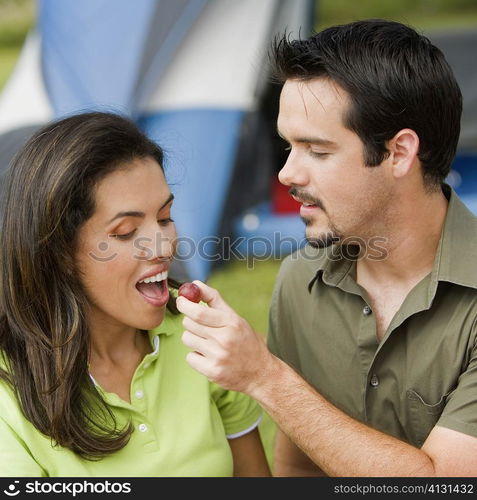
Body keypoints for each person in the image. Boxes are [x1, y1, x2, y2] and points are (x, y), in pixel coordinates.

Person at [177, 19, 477, 477]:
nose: (287, 175)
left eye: (316, 151)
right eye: (288, 146)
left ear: (399, 153)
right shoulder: (301, 279)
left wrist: (265, 377)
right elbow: (302, 468)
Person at [0, 111, 270, 477]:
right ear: (59, 252)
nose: (161, 246)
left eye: (164, 218)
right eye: (125, 232)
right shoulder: (8, 392)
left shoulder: (201, 339)